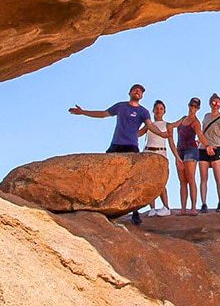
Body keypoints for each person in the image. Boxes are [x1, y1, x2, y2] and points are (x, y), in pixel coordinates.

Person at [68, 83, 166, 225]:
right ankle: (101, 206)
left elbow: (150, 125)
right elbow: (103, 114)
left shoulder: (143, 112)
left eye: (140, 91)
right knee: (106, 173)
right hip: (116, 144)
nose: (138, 92)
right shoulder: (120, 106)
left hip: (131, 146)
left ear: (142, 96)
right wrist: (83, 112)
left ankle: (135, 212)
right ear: (130, 92)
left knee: (133, 179)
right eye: (135, 90)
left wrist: (162, 134)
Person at [166, 97, 220, 215]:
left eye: (196, 106)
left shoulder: (195, 122)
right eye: (192, 105)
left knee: (190, 178)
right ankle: (183, 208)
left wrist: (207, 145)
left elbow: (200, 135)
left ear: (198, 108)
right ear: (189, 105)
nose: (193, 108)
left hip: (190, 150)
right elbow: (172, 125)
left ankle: (193, 207)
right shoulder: (183, 119)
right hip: (180, 151)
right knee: (182, 181)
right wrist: (166, 126)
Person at [139, 99, 172, 217]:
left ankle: (166, 207)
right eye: (157, 108)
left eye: (161, 109)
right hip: (148, 152)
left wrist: (177, 158)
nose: (158, 110)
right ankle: (152, 208)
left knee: (160, 181)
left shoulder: (167, 125)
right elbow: (138, 133)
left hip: (160, 153)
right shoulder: (149, 125)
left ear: (164, 111)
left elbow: (171, 142)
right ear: (153, 110)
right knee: (149, 181)